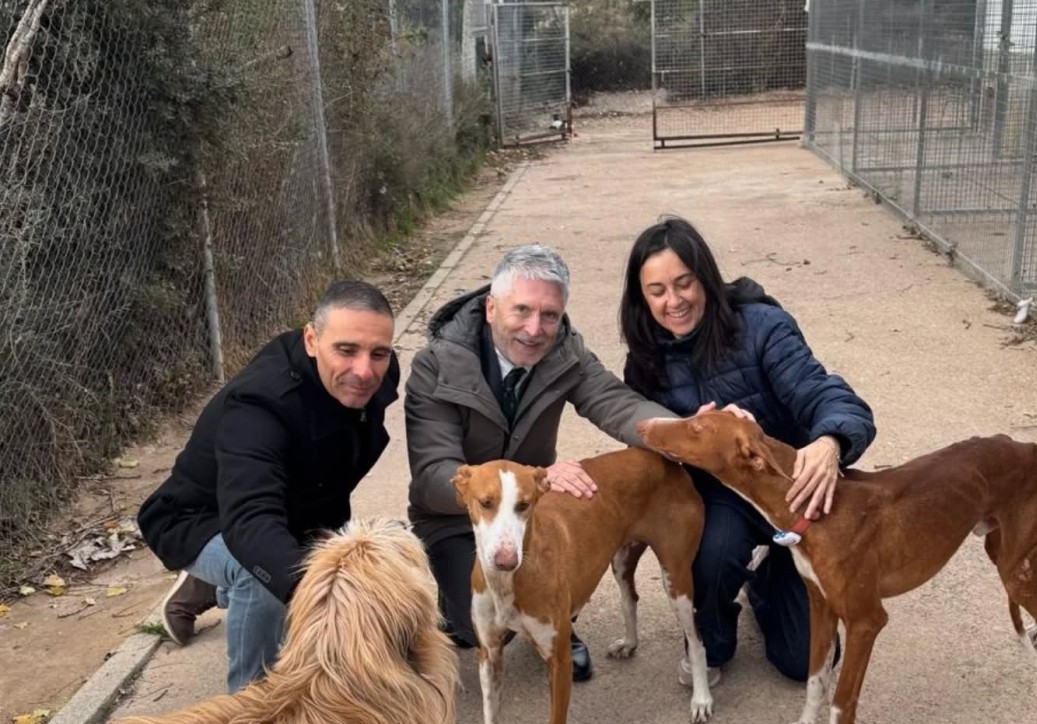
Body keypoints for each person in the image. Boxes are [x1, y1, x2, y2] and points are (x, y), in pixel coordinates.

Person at [619, 216, 876, 686]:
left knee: (803, 663)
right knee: (713, 551)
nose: (673, 301)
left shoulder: (762, 326)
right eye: (657, 291)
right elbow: (651, 447)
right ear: (641, 297)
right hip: (721, 493)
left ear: (706, 279)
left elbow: (827, 395)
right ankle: (710, 638)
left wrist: (830, 441)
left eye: (684, 283)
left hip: (789, 486)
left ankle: (770, 577)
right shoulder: (645, 362)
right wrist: (694, 434)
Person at [405, 243, 677, 682]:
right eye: (522, 311)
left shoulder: (565, 353)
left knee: (567, 530)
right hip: (455, 517)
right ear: (491, 308)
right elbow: (434, 475)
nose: (535, 329)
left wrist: (683, 432)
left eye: (549, 315)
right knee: (477, 626)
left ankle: (554, 621)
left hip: (530, 513)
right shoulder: (435, 366)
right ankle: (445, 603)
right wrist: (532, 477)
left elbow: (616, 404)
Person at [138, 280, 400, 693]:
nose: (365, 371)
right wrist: (320, 596)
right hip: (202, 517)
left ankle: (212, 584)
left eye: (379, 353)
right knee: (263, 579)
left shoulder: (373, 376)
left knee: (357, 562)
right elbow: (251, 520)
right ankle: (251, 709)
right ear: (312, 340)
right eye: (346, 350)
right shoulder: (258, 407)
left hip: (293, 507)